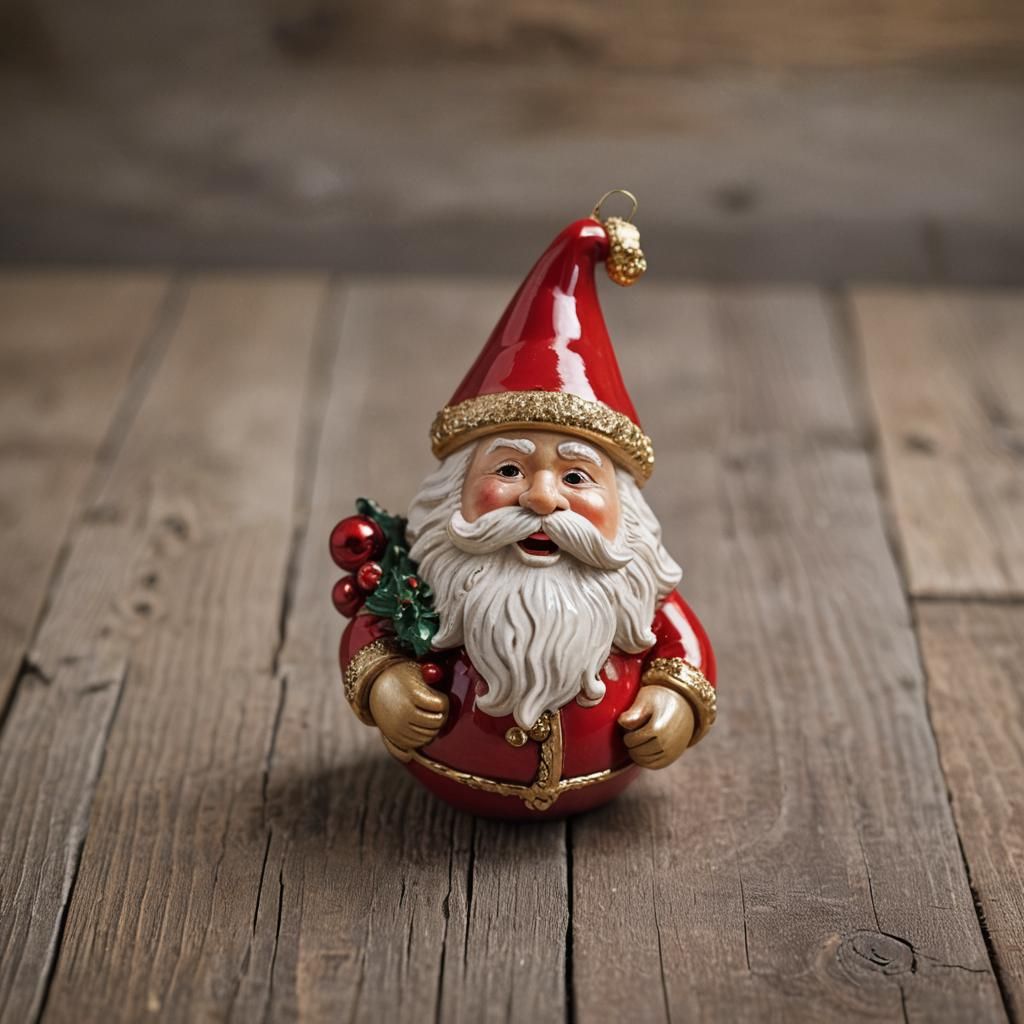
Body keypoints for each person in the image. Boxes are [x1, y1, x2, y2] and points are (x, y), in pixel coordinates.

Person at [337, 213, 716, 818]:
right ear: (453, 492)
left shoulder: (631, 593)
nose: (542, 499)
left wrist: (676, 702)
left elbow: (682, 646)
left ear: (625, 509)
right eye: (508, 470)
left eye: (575, 477)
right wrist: (386, 684)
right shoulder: (423, 585)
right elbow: (372, 630)